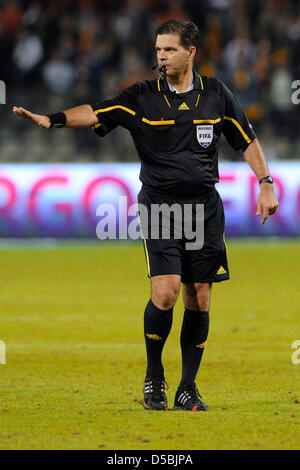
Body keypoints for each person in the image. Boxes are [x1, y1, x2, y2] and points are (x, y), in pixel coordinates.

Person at [13, 19, 279, 412]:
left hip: (204, 207)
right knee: (167, 291)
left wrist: (266, 182)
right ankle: (154, 376)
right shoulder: (142, 96)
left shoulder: (216, 94)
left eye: (169, 50)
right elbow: (96, 111)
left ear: (191, 52)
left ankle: (188, 387)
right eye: (158, 50)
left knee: (199, 297)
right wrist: (51, 119)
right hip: (159, 206)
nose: (161, 56)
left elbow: (246, 137)